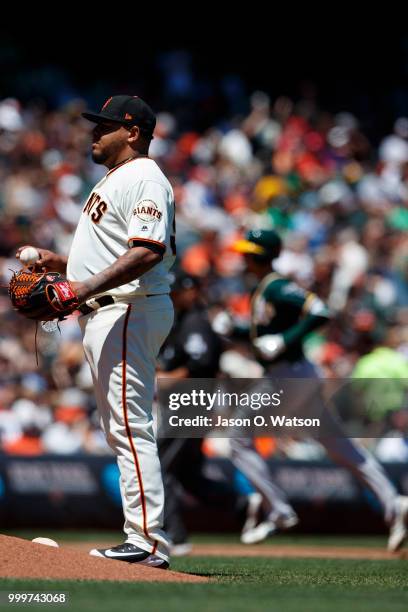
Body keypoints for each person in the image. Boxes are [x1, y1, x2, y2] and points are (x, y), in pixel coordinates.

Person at [16, 95, 176, 568]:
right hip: (111, 309)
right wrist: (62, 264)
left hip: (127, 308)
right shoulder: (116, 179)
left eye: (105, 126)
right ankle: (143, 537)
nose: (94, 132)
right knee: (120, 427)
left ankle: (147, 542)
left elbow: (148, 250)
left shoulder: (145, 175)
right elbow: (114, 254)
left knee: (129, 426)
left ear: (132, 132)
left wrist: (81, 284)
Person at [232, 229, 408, 552]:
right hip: (295, 376)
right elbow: (267, 334)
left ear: (259, 256)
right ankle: (394, 504)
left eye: (248, 253)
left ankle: (279, 508)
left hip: (288, 376)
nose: (243, 258)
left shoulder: (277, 285)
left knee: (236, 436)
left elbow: (320, 311)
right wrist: (238, 331)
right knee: (339, 445)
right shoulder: (265, 287)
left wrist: (286, 340)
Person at [157, 272, 260, 555]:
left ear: (191, 292)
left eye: (178, 291)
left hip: (190, 404)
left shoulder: (196, 323)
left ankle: (175, 536)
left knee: (159, 467)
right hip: (184, 405)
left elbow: (201, 364)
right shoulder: (180, 322)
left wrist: (169, 378)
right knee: (189, 475)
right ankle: (239, 504)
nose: (174, 295)